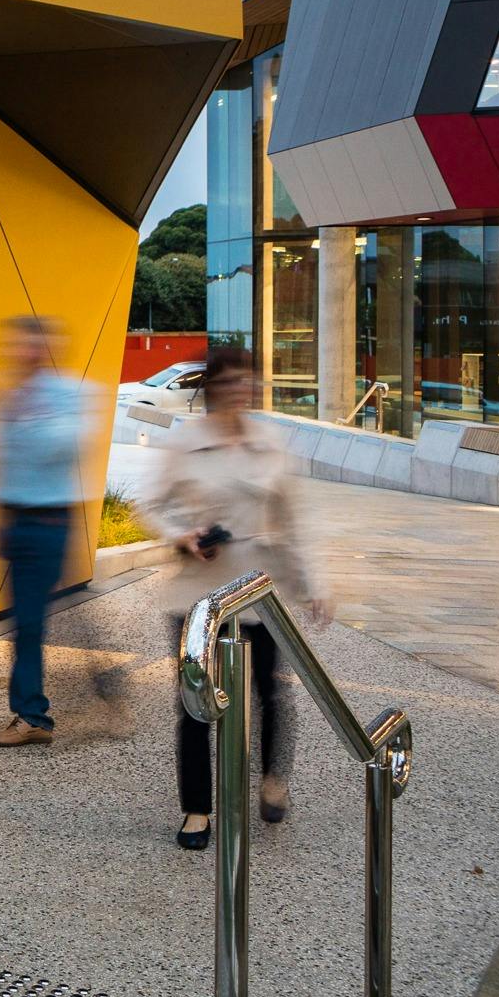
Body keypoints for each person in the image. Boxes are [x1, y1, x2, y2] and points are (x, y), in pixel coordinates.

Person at [148, 345, 326, 850]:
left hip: (258, 589)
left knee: (269, 690)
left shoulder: (271, 443)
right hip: (198, 595)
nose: (236, 390)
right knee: (195, 700)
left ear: (254, 385)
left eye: (245, 380)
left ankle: (273, 779)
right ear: (211, 387)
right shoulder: (187, 443)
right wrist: (181, 533)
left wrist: (313, 583)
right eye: (226, 381)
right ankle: (197, 810)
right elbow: (151, 504)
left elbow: (293, 520)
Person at [0, 316, 97, 748]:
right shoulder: (8, 395)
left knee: (30, 622)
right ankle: (47, 704)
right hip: (15, 519)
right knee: (29, 622)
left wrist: (29, 414)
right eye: (14, 344)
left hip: (49, 520)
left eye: (29, 345)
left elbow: (65, 447)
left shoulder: (69, 393)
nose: (19, 353)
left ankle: (33, 717)